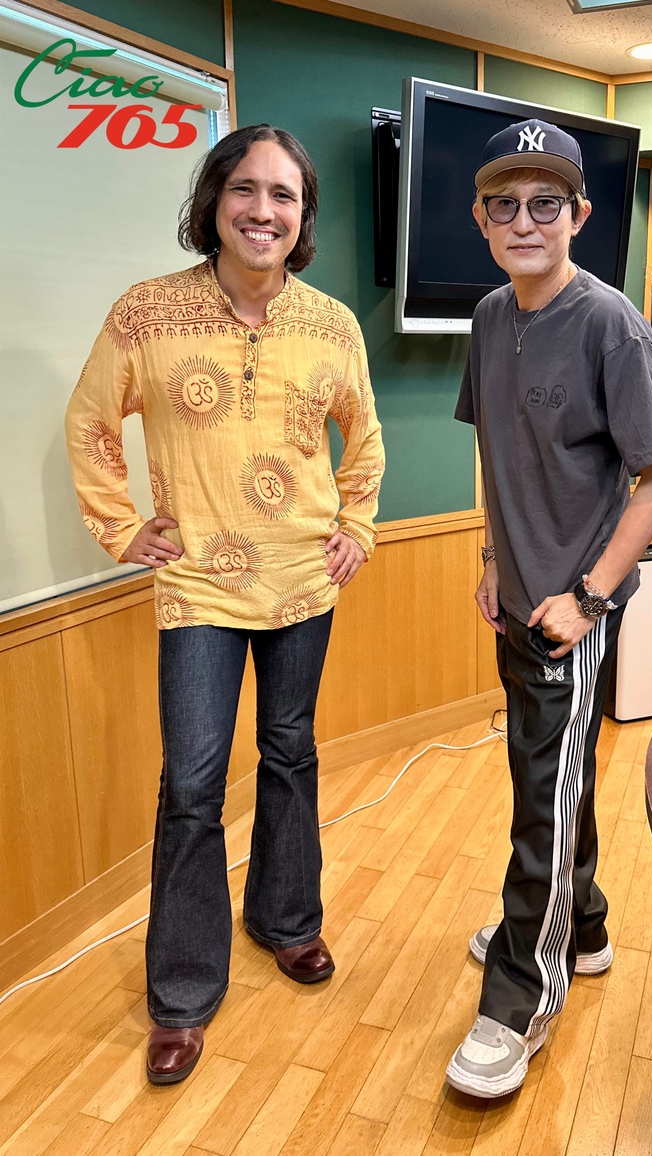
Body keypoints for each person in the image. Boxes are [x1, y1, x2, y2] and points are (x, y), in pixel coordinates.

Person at [65, 124, 384, 1086]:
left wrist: (358, 525)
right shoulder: (147, 312)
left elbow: (364, 439)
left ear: (303, 215)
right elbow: (89, 422)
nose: (263, 210)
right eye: (245, 188)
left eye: (284, 195)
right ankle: (183, 991)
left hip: (304, 579)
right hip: (199, 582)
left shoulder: (333, 323)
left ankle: (287, 921)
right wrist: (123, 530)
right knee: (193, 785)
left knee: (291, 752)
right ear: (213, 201)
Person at [446, 119, 652, 1098]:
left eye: (545, 202)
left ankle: (521, 995)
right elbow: (496, 450)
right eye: (503, 203)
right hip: (514, 598)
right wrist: (489, 556)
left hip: (568, 613)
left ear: (578, 214)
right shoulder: (487, 316)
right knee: (550, 781)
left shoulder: (609, 324)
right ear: (481, 219)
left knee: (540, 801)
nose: (524, 220)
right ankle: (577, 929)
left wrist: (588, 597)